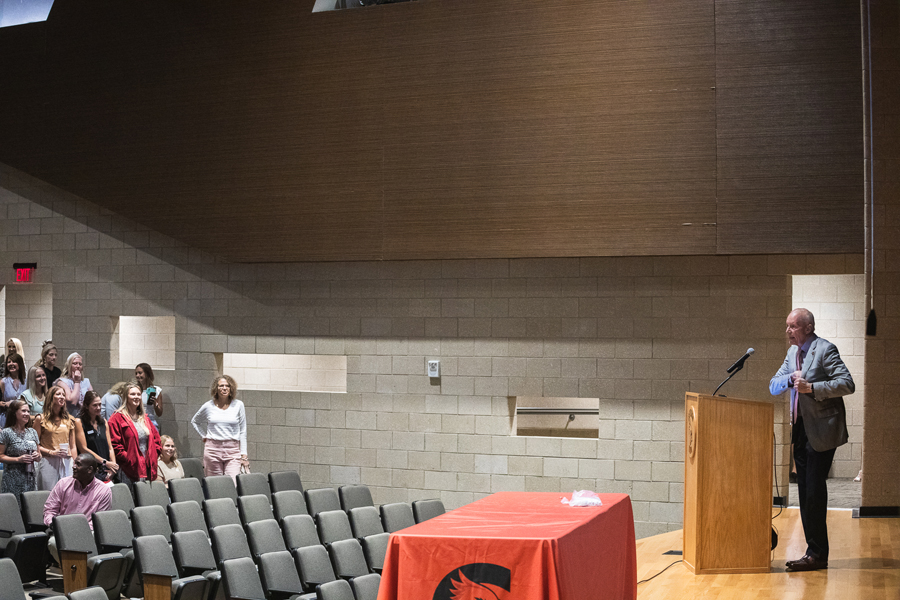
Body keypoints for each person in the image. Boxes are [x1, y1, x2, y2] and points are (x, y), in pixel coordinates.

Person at [770, 308, 855, 572]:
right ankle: (814, 552)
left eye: (793, 326)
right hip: (800, 429)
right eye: (787, 326)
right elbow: (773, 385)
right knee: (806, 492)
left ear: (808, 327)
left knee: (814, 492)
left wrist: (813, 388)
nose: (788, 331)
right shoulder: (792, 354)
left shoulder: (825, 349)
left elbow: (847, 384)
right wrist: (790, 378)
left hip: (823, 429)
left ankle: (817, 553)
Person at [43, 453, 112, 562]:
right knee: (53, 543)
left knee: (95, 539)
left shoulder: (104, 490)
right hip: (62, 530)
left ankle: (84, 573)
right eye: (75, 463)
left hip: (89, 532)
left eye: (78, 464)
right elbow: (50, 509)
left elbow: (99, 520)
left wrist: (78, 531)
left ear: (89, 469)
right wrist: (52, 523)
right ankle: (75, 574)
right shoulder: (63, 484)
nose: (73, 467)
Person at [191, 375, 248, 481]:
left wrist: (244, 454)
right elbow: (195, 421)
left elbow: (243, 431)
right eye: (221, 386)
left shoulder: (238, 405)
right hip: (212, 449)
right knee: (214, 485)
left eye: (227, 386)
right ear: (216, 389)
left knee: (232, 483)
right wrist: (204, 435)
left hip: (232, 449)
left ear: (231, 388)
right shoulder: (208, 405)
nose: (224, 388)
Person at [108, 382, 162, 486]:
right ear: (125, 397)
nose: (136, 397)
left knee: (145, 501)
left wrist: (153, 456)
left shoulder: (145, 418)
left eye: (138, 394)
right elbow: (115, 444)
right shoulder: (116, 418)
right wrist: (130, 459)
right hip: (129, 469)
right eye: (132, 394)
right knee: (131, 500)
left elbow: (157, 440)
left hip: (147, 468)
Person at [34, 384, 77, 490]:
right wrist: (51, 452)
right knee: (49, 493)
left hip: (66, 461)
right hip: (48, 461)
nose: (62, 396)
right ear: (50, 397)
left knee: (66, 492)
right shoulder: (40, 419)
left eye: (63, 394)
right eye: (58, 394)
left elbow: (73, 446)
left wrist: (75, 462)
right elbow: (35, 444)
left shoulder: (69, 420)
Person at [0, 400, 41, 504]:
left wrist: (37, 456)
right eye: (23, 411)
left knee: (30, 510)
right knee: (14, 511)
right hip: (12, 479)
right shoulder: (6, 433)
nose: (27, 414)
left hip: (30, 479)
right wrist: (18, 459)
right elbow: (0, 456)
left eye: (28, 411)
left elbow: (39, 455)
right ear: (14, 412)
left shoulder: (32, 432)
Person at [75, 391, 120, 483]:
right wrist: (105, 462)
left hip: (107, 469)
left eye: (100, 404)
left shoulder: (103, 422)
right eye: (95, 405)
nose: (98, 408)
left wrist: (113, 467)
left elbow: (110, 447)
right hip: (91, 469)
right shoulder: (79, 422)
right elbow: (83, 449)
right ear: (87, 406)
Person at [58, 352, 93, 417]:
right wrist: (77, 382)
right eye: (75, 363)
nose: (78, 366)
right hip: (70, 418)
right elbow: (72, 402)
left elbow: (93, 400)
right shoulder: (62, 382)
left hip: (85, 418)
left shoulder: (86, 381)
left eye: (80, 364)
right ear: (69, 365)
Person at [135, 363, 165, 431]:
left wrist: (155, 404)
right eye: (136, 373)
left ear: (147, 374)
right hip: (137, 422)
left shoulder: (156, 390)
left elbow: (159, 413)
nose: (137, 375)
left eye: (140, 373)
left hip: (150, 422)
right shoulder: (134, 390)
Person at [0, 352, 26, 427]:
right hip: (6, 418)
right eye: (8, 362)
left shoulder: (26, 382)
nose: (11, 364)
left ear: (20, 364)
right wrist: (6, 404)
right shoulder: (3, 382)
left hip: (22, 419)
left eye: (14, 361)